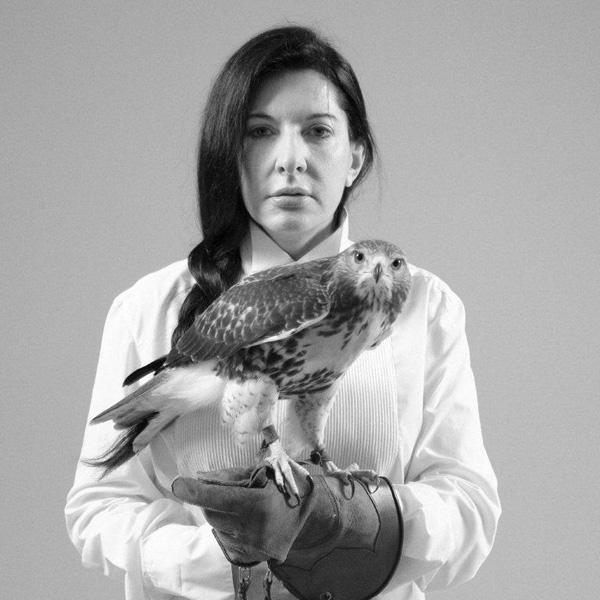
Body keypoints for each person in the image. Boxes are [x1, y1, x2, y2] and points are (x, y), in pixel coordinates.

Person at [65, 25, 500, 600]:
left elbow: (469, 507)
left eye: (317, 131)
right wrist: (228, 555)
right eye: (260, 132)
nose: (290, 160)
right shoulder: (149, 306)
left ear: (355, 157)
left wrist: (352, 523)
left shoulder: (422, 302)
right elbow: (98, 510)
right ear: (232, 155)